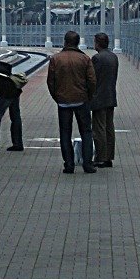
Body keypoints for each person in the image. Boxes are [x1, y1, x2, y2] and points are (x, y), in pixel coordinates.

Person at [46, 30, 97, 174]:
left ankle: (69, 165)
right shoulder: (85, 59)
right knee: (86, 132)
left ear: (65, 42)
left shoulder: (56, 59)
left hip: (63, 102)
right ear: (77, 43)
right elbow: (92, 80)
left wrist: (57, 97)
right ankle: (88, 164)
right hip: (82, 100)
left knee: (65, 133)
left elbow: (50, 81)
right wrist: (89, 96)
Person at [90, 32, 118, 168]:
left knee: (99, 129)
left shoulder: (97, 58)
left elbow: (92, 79)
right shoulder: (114, 57)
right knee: (109, 128)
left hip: (99, 98)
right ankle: (109, 157)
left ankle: (100, 157)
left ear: (97, 43)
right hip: (110, 96)